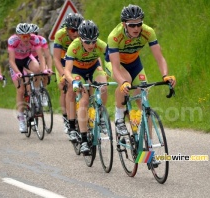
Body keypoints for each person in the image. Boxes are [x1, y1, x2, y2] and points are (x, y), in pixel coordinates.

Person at [105, 4, 176, 135]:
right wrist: (123, 82)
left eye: (139, 24)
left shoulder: (148, 32)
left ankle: (147, 147)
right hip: (115, 63)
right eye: (132, 25)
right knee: (126, 79)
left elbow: (160, 58)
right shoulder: (115, 36)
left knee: (144, 102)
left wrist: (165, 75)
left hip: (134, 63)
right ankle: (119, 117)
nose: (136, 28)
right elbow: (115, 67)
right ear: (124, 24)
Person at [64, 20, 108, 153]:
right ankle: (83, 139)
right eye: (87, 42)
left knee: (104, 86)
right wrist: (73, 81)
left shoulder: (100, 45)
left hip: (93, 67)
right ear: (80, 39)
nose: (91, 44)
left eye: (93, 41)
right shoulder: (74, 46)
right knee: (84, 99)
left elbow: (112, 59)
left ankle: (100, 116)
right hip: (78, 71)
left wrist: (109, 72)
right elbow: (67, 70)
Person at [7, 23, 45, 133]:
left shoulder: (34, 39)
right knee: (21, 90)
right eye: (23, 36)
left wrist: (44, 70)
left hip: (27, 58)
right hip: (16, 63)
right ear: (18, 35)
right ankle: (21, 119)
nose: (26, 38)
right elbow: (11, 61)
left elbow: (41, 56)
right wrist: (18, 73)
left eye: (28, 35)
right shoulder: (12, 41)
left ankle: (36, 93)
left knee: (37, 70)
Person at [53, 13, 84, 133]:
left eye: (78, 30)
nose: (76, 33)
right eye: (72, 30)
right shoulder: (60, 35)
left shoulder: (84, 36)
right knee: (64, 87)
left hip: (76, 59)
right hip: (62, 60)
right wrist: (63, 75)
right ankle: (66, 117)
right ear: (66, 30)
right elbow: (55, 58)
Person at [29, 23, 53, 106]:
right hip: (28, 59)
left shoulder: (41, 40)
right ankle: (30, 98)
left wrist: (49, 68)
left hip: (38, 58)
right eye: (30, 34)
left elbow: (48, 56)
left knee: (45, 72)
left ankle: (42, 93)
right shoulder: (25, 41)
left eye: (35, 34)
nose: (33, 36)